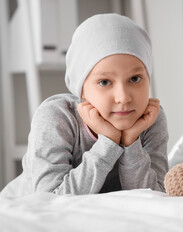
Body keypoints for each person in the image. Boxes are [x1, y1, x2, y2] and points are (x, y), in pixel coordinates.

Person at [1, 14, 169, 197]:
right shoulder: (57, 117)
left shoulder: (151, 118)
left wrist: (131, 143)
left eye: (135, 79)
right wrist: (109, 142)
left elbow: (155, 195)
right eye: (105, 82)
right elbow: (50, 198)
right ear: (81, 91)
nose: (123, 98)